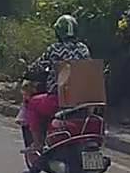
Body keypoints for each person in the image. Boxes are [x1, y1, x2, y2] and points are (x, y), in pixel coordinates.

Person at [23, 14, 91, 151]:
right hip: (82, 101)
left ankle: (37, 144)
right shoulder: (84, 49)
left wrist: (27, 71)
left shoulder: (54, 49)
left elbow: (37, 67)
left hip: (58, 100)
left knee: (32, 104)